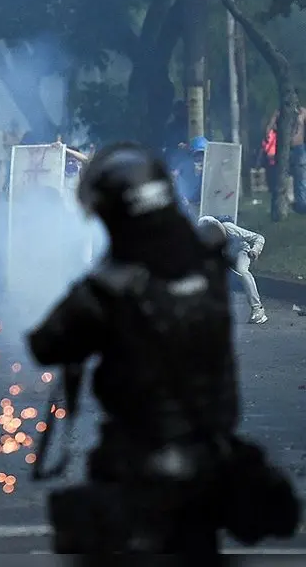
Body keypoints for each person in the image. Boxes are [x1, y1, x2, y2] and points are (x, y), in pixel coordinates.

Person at [26, 143, 300, 555]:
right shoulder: (205, 262)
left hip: (138, 458)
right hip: (211, 454)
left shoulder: (111, 285)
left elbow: (46, 344)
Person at [198, 215, 267, 324]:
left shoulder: (229, 228)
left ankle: (258, 309)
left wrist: (255, 250)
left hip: (241, 252)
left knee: (242, 271)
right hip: (225, 257)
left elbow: (258, 237)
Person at [264, 94, 306, 217]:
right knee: (283, 176)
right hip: (284, 148)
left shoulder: (303, 112)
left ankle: (302, 204)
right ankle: (285, 204)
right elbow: (269, 128)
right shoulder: (280, 112)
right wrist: (272, 132)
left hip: (299, 148)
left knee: (301, 176)